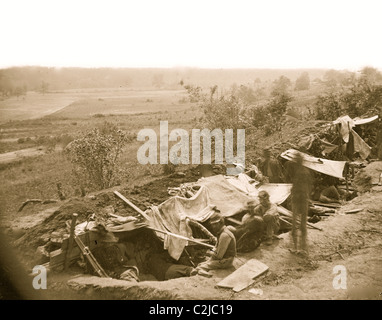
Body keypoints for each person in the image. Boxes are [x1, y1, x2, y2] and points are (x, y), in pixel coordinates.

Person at [290, 153, 312, 255]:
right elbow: (309, 187)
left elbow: (301, 188)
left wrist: (294, 195)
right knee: (301, 224)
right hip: (302, 199)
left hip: (299, 199)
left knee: (297, 224)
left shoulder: (301, 172)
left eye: (297, 160)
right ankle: (302, 248)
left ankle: (298, 247)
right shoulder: (303, 171)